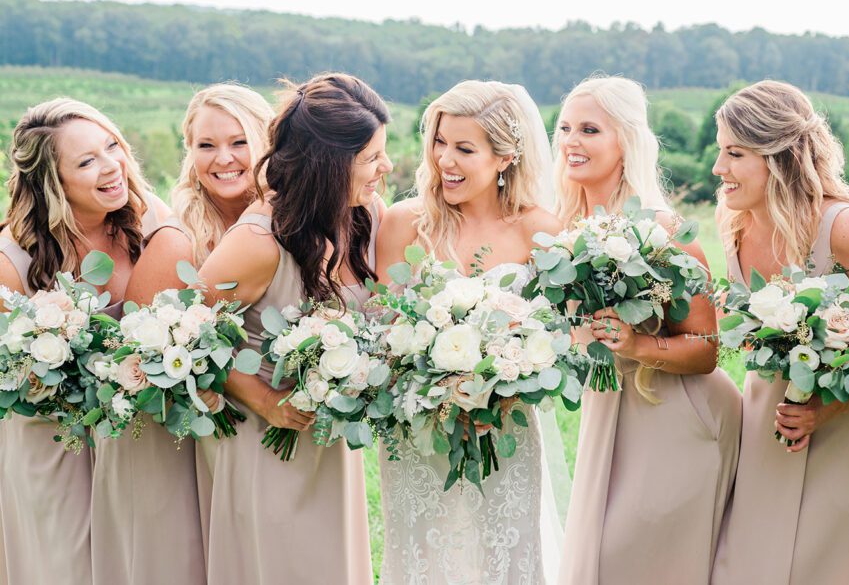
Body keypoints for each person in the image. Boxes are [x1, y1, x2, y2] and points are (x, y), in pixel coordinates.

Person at [196, 73, 390, 583]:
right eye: (372, 158)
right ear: (330, 165)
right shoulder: (257, 243)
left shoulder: (362, 215)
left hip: (325, 443)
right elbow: (190, 337)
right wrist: (263, 399)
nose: (385, 168)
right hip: (263, 441)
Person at [375, 80, 564, 583]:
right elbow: (383, 328)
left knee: (502, 557)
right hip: (418, 435)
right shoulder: (403, 224)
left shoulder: (540, 231)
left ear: (504, 157)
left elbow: (561, 344)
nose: (445, 161)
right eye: (439, 142)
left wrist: (503, 386)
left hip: (503, 433)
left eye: (464, 148)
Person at [711, 80, 849, 585]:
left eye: (734, 153)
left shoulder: (845, 229)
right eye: (719, 152)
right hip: (767, 426)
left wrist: (825, 409)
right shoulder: (732, 225)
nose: (718, 169)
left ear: (780, 157)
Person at [556, 75, 741, 584]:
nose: (572, 141)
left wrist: (636, 343)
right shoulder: (562, 229)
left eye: (590, 129)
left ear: (626, 142)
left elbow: (707, 349)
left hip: (675, 416)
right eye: (566, 127)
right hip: (609, 414)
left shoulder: (662, 230)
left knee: (634, 560)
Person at [89, 84, 272, 585]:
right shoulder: (177, 238)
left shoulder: (291, 227)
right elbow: (143, 355)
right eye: (206, 145)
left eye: (239, 141)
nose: (224, 159)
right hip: (176, 444)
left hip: (266, 446)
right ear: (188, 153)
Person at [0, 98, 167, 583]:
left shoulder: (149, 219)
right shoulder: (12, 260)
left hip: (133, 445)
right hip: (51, 442)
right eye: (86, 161)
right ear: (52, 182)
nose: (111, 165)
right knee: (62, 567)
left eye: (111, 145)